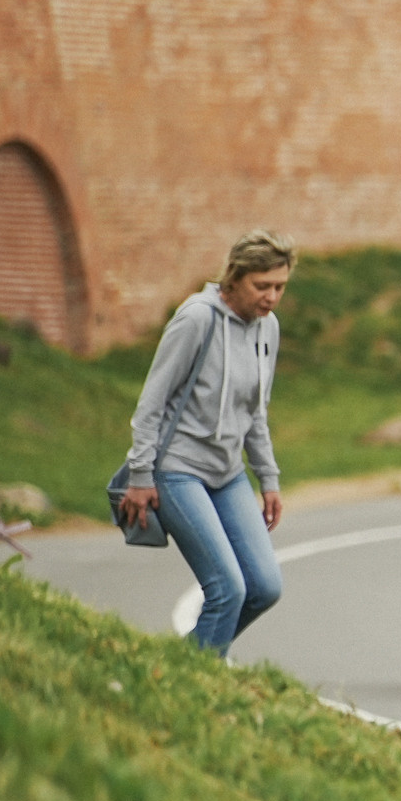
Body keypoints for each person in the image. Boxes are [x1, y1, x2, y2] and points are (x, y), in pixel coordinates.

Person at [118, 230, 292, 655]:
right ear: (235, 278)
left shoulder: (267, 329)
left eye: (280, 287)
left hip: (227, 473)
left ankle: (183, 663)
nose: (271, 297)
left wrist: (268, 479)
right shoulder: (198, 318)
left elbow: (255, 412)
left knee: (264, 587)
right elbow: (151, 402)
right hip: (178, 469)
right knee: (227, 589)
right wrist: (141, 474)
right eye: (262, 286)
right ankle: (196, 679)